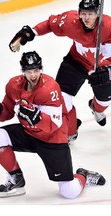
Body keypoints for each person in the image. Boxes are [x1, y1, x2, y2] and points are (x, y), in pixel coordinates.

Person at [0, 51, 105, 198]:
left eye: (36, 70)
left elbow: (54, 125)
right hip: (28, 133)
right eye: (29, 71)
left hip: (52, 139)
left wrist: (36, 117)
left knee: (69, 191)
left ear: (40, 69)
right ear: (23, 72)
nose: (33, 75)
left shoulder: (50, 88)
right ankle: (16, 179)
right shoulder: (13, 85)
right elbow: (6, 114)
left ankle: (83, 175)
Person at [9, 0, 111, 144]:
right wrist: (31, 32)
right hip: (76, 62)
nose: (86, 18)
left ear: (98, 14)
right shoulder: (71, 21)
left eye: (90, 14)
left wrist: (107, 70)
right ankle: (71, 131)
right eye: (83, 13)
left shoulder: (109, 27)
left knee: (103, 101)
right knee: (62, 98)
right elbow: (51, 24)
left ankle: (96, 108)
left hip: (102, 70)